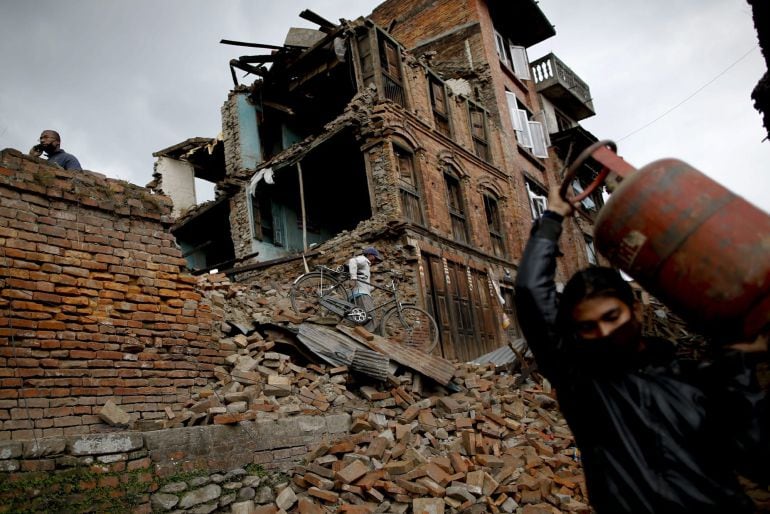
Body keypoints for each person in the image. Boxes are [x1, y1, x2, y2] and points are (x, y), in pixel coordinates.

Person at [514, 185, 768, 513]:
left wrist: (741, 371)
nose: (604, 332)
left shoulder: (693, 377)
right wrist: (551, 219)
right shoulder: (582, 382)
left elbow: (757, 457)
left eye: (611, 317)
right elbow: (530, 292)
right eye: (589, 327)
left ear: (636, 309)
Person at [347, 247, 382, 330]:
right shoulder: (363, 260)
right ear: (370, 255)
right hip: (361, 294)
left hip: (359, 293)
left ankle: (362, 333)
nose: (375, 261)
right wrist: (353, 278)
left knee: (360, 318)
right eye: (375, 258)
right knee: (371, 316)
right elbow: (352, 261)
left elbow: (364, 284)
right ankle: (370, 335)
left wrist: (374, 288)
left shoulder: (365, 265)